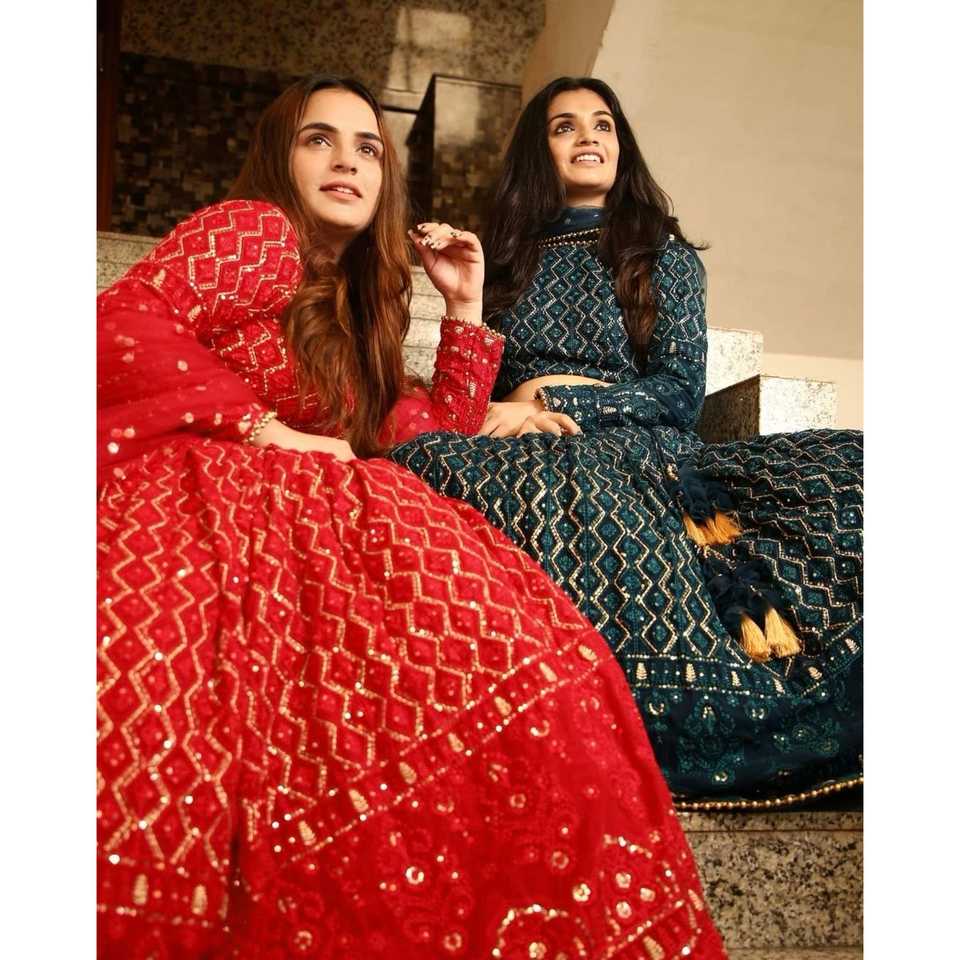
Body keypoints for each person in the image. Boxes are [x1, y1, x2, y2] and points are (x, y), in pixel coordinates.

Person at [97, 74, 726, 957]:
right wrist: (261, 428)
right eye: (320, 140)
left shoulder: (359, 298)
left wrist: (463, 306)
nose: (348, 162)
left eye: (368, 148)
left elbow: (421, 432)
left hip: (301, 505)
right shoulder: (254, 231)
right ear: (281, 158)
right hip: (202, 486)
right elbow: (122, 320)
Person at [389, 77, 863, 809]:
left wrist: (551, 401)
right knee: (423, 464)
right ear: (537, 151)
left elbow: (678, 394)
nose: (588, 135)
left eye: (603, 123)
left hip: (635, 445)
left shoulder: (661, 256)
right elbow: (463, 400)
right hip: (519, 445)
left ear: (621, 145)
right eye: (564, 126)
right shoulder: (505, 261)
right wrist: (470, 310)